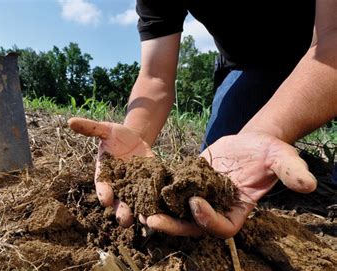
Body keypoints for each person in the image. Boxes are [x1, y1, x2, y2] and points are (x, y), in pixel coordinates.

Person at [68, 0, 337, 238]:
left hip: (326, 43)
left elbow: (332, 39)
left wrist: (268, 130)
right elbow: (155, 77)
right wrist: (133, 139)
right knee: (217, 170)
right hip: (251, 65)